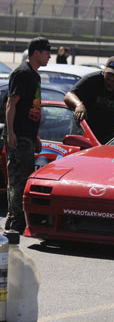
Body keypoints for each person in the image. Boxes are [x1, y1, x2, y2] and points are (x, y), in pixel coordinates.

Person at [4, 37, 51, 233]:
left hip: (27, 137)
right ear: (36, 53)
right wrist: (11, 132)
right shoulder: (22, 73)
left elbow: (31, 109)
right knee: (18, 182)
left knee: (23, 180)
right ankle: (14, 225)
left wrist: (35, 136)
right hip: (18, 137)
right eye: (47, 52)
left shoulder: (35, 76)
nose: (49, 56)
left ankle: (15, 223)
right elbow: (11, 104)